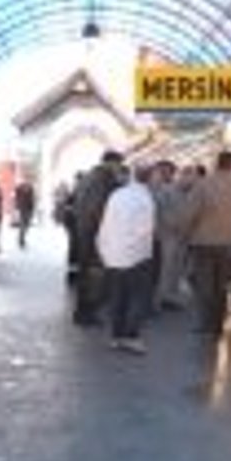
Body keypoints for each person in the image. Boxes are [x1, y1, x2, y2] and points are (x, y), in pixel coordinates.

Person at [187, 150, 231, 336]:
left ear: (217, 163)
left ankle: (207, 324)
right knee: (223, 284)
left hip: (204, 240)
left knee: (205, 284)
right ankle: (218, 322)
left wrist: (187, 233)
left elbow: (190, 212)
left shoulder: (203, 183)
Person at [97, 165, 157, 354]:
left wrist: (104, 250)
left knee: (117, 297)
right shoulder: (145, 198)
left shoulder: (117, 195)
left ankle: (115, 336)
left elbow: (105, 225)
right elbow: (145, 231)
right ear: (149, 178)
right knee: (136, 298)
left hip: (113, 255)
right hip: (136, 257)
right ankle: (131, 337)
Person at [73, 151, 127, 326]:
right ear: (112, 163)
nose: (119, 169)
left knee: (87, 273)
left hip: (84, 230)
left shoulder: (89, 176)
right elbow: (98, 209)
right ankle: (87, 313)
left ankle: (83, 311)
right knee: (95, 274)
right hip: (95, 233)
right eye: (119, 164)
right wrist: (107, 232)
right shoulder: (102, 179)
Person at [152, 161, 198, 311]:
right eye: (190, 181)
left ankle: (170, 297)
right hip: (168, 237)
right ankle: (158, 300)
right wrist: (176, 226)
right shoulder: (166, 191)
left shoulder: (188, 194)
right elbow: (162, 213)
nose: (191, 184)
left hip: (181, 237)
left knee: (176, 269)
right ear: (182, 177)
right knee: (166, 269)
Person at [15, 182, 36, 249]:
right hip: (23, 209)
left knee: (26, 224)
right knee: (23, 224)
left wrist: (32, 208)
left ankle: (22, 238)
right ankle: (21, 239)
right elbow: (17, 197)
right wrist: (17, 206)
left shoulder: (30, 188)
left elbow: (32, 199)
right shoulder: (19, 188)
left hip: (28, 209)